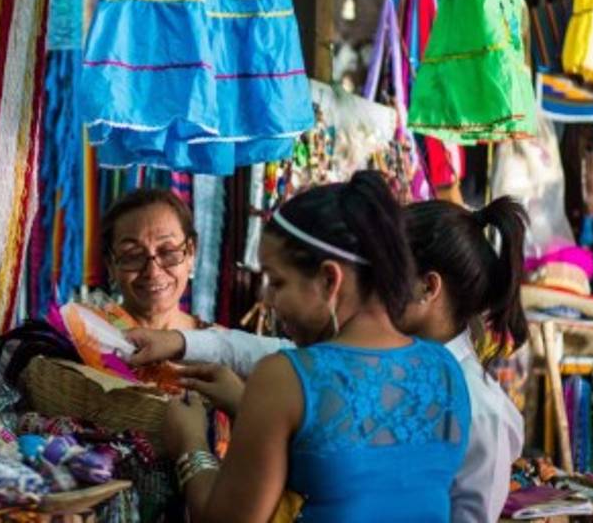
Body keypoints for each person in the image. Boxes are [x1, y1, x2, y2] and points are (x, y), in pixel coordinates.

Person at [133, 195, 526, 522]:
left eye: (278, 282)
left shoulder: (290, 376)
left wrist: (190, 445)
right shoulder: (443, 370)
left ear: (329, 279)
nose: (267, 298)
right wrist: (189, 348)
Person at [93, 188, 203, 332]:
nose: (153, 272)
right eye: (133, 256)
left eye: (167, 252)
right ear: (110, 265)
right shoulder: (85, 336)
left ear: (191, 253)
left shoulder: (219, 342)